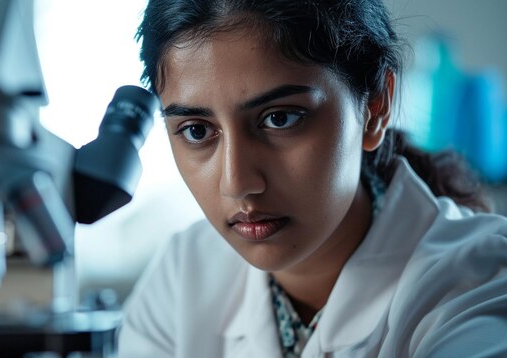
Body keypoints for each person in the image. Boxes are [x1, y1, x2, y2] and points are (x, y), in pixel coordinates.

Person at [117, 0, 507, 356]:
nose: (237, 183)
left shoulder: (478, 287)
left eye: (280, 118)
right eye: (197, 131)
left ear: (376, 106)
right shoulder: (182, 274)